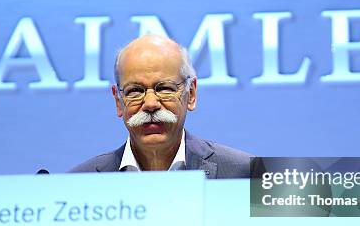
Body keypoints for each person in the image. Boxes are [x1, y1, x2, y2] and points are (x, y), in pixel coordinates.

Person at [71, 34, 252, 178]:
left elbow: (278, 222)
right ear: (118, 101)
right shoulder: (77, 184)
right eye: (135, 91)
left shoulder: (253, 174)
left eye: (165, 88)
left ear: (191, 94)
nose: (150, 104)